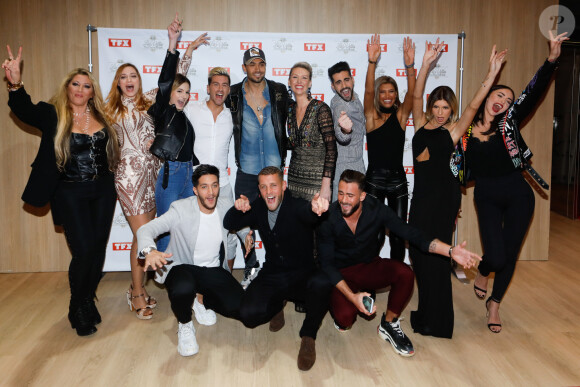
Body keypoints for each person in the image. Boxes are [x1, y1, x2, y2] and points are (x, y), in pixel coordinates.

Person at [3, 46, 120, 336]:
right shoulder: (52, 114)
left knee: (97, 251)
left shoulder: (102, 117)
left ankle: (87, 298)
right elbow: (23, 108)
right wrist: (15, 83)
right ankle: (77, 306)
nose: (80, 89)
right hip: (70, 193)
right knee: (83, 252)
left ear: (93, 92)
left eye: (86, 86)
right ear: (67, 88)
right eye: (75, 84)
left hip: (103, 192)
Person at [457, 31, 568, 333]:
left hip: (519, 191)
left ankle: (494, 304)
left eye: (507, 100)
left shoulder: (509, 123)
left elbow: (533, 92)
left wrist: (552, 60)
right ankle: (483, 269)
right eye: (498, 95)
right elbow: (456, 170)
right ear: (487, 95)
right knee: (496, 254)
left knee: (511, 253)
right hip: (487, 194)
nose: (503, 102)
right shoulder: (465, 132)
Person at [104, 15, 207, 319]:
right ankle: (136, 292)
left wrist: (178, 48)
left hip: (154, 176)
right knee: (143, 236)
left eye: (133, 75)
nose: (129, 80)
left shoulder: (150, 102)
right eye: (123, 76)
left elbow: (172, 82)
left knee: (142, 236)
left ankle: (139, 288)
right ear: (117, 83)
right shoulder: (109, 110)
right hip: (128, 179)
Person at [317, 170, 481, 357]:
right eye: (340, 193)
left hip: (369, 267)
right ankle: (338, 300)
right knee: (345, 319)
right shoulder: (328, 217)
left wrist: (450, 251)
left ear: (362, 196)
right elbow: (327, 265)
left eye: (350, 195)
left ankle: (389, 323)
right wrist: (351, 297)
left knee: (405, 273)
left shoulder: (375, 208)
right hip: (342, 275)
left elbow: (412, 234)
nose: (344, 200)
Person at [409, 39, 507, 338]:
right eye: (436, 106)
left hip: (444, 201)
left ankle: (438, 323)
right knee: (419, 256)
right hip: (422, 200)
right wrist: (425, 63)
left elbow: (474, 105)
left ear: (451, 109)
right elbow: (415, 95)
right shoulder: (418, 126)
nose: (440, 112)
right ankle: (426, 312)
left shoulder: (452, 131)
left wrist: (491, 76)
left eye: (445, 107)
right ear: (429, 107)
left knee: (437, 261)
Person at [223, 166, 332, 371]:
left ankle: (308, 336)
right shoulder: (258, 206)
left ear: (283, 186)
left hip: (302, 274)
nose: (269, 192)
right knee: (248, 315)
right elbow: (229, 222)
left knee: (323, 283)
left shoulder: (297, 205)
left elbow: (309, 214)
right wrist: (238, 207)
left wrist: (315, 208)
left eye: (273, 185)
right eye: (263, 187)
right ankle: (277, 305)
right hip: (273, 273)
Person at [136, 164, 244, 357]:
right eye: (204, 187)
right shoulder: (180, 209)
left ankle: (200, 299)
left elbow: (239, 222)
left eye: (214, 185)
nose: (210, 193)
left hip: (211, 269)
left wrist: (247, 234)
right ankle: (185, 323)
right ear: (195, 190)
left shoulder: (225, 204)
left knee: (238, 306)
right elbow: (146, 230)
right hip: (182, 267)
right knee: (183, 288)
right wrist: (149, 250)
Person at [226, 47, 290, 287]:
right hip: (247, 171)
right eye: (252, 64)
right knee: (243, 223)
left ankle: (280, 268)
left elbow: (294, 117)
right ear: (244, 67)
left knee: (279, 224)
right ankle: (251, 266)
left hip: (274, 172)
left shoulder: (279, 91)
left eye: (261, 63)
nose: (257, 69)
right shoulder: (233, 94)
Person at [148, 16, 204, 254]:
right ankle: (164, 271)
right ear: (169, 94)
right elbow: (166, 80)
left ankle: (179, 272)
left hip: (187, 173)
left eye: (187, 92)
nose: (183, 95)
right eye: (179, 91)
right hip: (171, 174)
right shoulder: (163, 110)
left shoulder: (182, 116)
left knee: (183, 227)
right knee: (166, 227)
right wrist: (173, 45)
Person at [363, 35, 416, 262]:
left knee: (397, 235)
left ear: (396, 95)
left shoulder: (402, 116)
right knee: (374, 236)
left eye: (391, 91)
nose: (387, 95)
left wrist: (410, 66)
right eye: (382, 91)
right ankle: (371, 281)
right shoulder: (372, 117)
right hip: (373, 181)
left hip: (398, 181)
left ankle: (397, 278)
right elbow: (366, 93)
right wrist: (372, 63)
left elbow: (413, 94)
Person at [186, 67, 239, 273]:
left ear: (228, 90)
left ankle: (226, 280)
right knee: (195, 235)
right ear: (208, 88)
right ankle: (196, 282)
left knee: (230, 236)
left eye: (225, 85)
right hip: (195, 185)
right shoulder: (192, 109)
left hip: (223, 184)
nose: (220, 88)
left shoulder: (232, 115)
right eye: (216, 84)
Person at [287, 61, 337, 202]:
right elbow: (294, 143)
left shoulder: (321, 109)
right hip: (294, 180)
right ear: (289, 81)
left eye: (304, 78)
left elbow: (332, 150)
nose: (299, 81)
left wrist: (326, 185)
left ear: (309, 83)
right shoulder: (290, 109)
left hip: (317, 182)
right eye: (295, 77)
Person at [328, 61, 366, 201]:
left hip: (359, 164)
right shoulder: (339, 104)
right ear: (333, 86)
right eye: (338, 82)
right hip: (344, 170)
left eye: (346, 80)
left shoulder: (354, 96)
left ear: (352, 79)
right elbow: (341, 135)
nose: (344, 86)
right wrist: (345, 130)